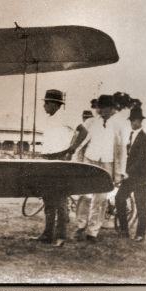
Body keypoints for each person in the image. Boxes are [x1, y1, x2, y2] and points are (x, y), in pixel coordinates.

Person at [31, 89, 88, 247]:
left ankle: (61, 235)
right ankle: (47, 234)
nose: (44, 106)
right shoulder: (49, 119)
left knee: (61, 199)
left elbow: (83, 131)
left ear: (54, 104)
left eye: (46, 103)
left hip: (60, 159)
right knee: (48, 198)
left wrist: (72, 149)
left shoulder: (66, 116)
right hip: (48, 159)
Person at [75, 94, 127, 242]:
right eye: (101, 108)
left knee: (101, 198)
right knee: (84, 195)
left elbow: (122, 150)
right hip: (89, 161)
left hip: (107, 163)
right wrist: (78, 162)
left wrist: (119, 172)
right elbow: (79, 142)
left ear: (112, 109)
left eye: (106, 108)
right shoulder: (90, 122)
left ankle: (93, 232)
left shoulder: (118, 126)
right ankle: (80, 226)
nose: (103, 111)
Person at [115, 107, 146, 241]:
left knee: (142, 205)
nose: (133, 123)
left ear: (141, 121)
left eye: (136, 120)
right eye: (132, 120)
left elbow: (141, 159)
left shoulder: (145, 138)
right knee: (119, 199)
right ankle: (124, 230)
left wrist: (127, 172)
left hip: (140, 177)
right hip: (129, 176)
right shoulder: (129, 136)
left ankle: (140, 234)